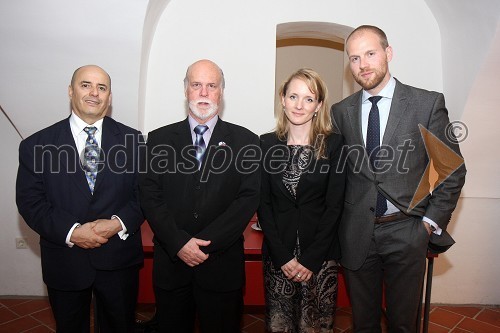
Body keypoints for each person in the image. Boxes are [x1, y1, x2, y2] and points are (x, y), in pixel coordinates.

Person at [331, 25, 467, 332]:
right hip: (356, 235)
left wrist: (429, 222)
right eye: (354, 58)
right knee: (363, 324)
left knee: (403, 325)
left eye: (370, 54)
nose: (363, 64)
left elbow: (452, 169)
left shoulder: (426, 103)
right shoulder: (341, 112)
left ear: (388, 53)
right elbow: (339, 175)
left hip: (407, 231)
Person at [16, 65, 144, 332]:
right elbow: (31, 202)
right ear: (70, 91)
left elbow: (145, 195)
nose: (94, 93)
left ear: (109, 97)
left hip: (118, 260)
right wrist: (73, 232)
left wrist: (117, 223)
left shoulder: (135, 141)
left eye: (102, 88)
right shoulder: (36, 145)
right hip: (65, 260)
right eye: (86, 85)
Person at [139, 59, 260, 333]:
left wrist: (205, 244)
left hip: (221, 268)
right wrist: (179, 242)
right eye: (196, 85)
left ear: (221, 92)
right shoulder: (158, 140)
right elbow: (149, 194)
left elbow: (248, 199)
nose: (204, 93)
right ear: (186, 91)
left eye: (211, 86)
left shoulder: (246, 142)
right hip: (172, 264)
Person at [258, 68, 345, 332]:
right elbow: (263, 205)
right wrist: (282, 256)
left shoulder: (335, 145)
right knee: (280, 324)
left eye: (309, 99)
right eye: (293, 96)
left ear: (318, 105)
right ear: (282, 99)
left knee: (315, 326)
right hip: (278, 255)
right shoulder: (264, 144)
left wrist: (310, 259)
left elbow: (335, 206)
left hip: (320, 256)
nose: (299, 105)